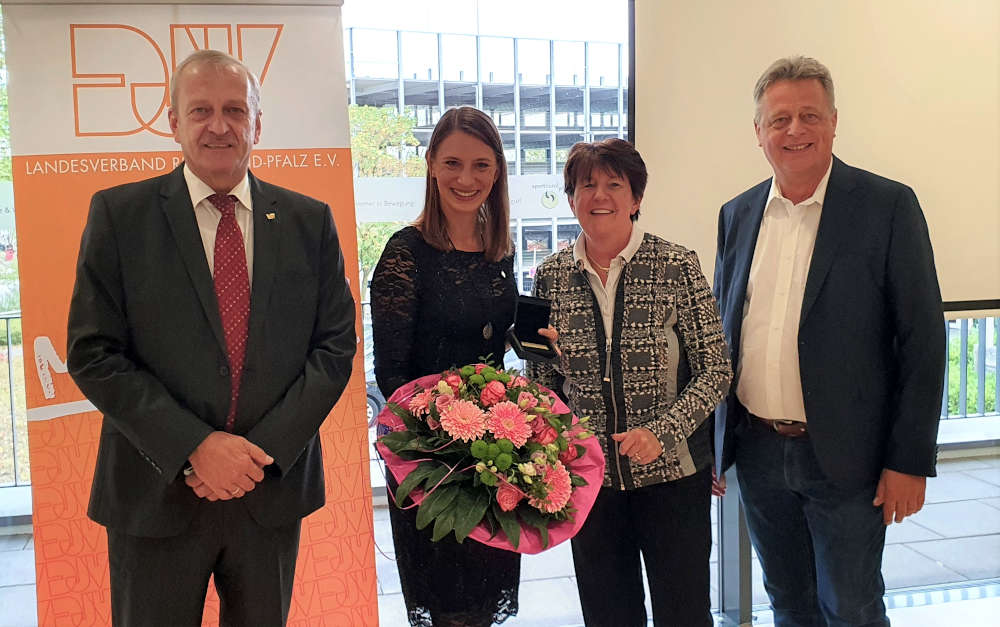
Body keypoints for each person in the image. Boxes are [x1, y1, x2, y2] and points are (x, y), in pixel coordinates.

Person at [66, 50, 357, 626]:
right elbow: (93, 351)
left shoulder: (308, 220)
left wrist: (258, 454)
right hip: (155, 492)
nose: (219, 125)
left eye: (234, 110)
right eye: (200, 110)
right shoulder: (120, 216)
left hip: (268, 493)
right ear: (172, 121)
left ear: (257, 122)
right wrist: (195, 446)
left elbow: (334, 347)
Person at [713, 56, 946, 626]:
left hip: (849, 457)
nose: (794, 131)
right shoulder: (737, 214)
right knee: (788, 603)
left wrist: (908, 460)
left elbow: (923, 341)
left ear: (834, 122)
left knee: (851, 607)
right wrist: (716, 443)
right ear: (759, 132)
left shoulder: (886, 207)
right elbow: (724, 333)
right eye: (780, 119)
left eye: (809, 115)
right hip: (760, 452)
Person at [529, 138, 732, 627]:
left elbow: (716, 368)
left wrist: (661, 432)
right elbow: (543, 386)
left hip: (672, 477)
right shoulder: (551, 276)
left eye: (614, 184)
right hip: (589, 480)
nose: (600, 195)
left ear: (636, 198)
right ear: (572, 197)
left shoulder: (676, 265)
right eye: (586, 185)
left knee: (682, 611)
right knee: (607, 613)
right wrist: (544, 356)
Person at [370, 106, 519, 627]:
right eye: (453, 162)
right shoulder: (405, 253)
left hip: (495, 458)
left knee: (482, 602)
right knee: (450, 608)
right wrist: (448, 445)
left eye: (481, 165)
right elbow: (392, 376)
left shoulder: (499, 248)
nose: (466, 178)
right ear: (431, 163)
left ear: (497, 170)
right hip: (431, 465)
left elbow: (496, 343)